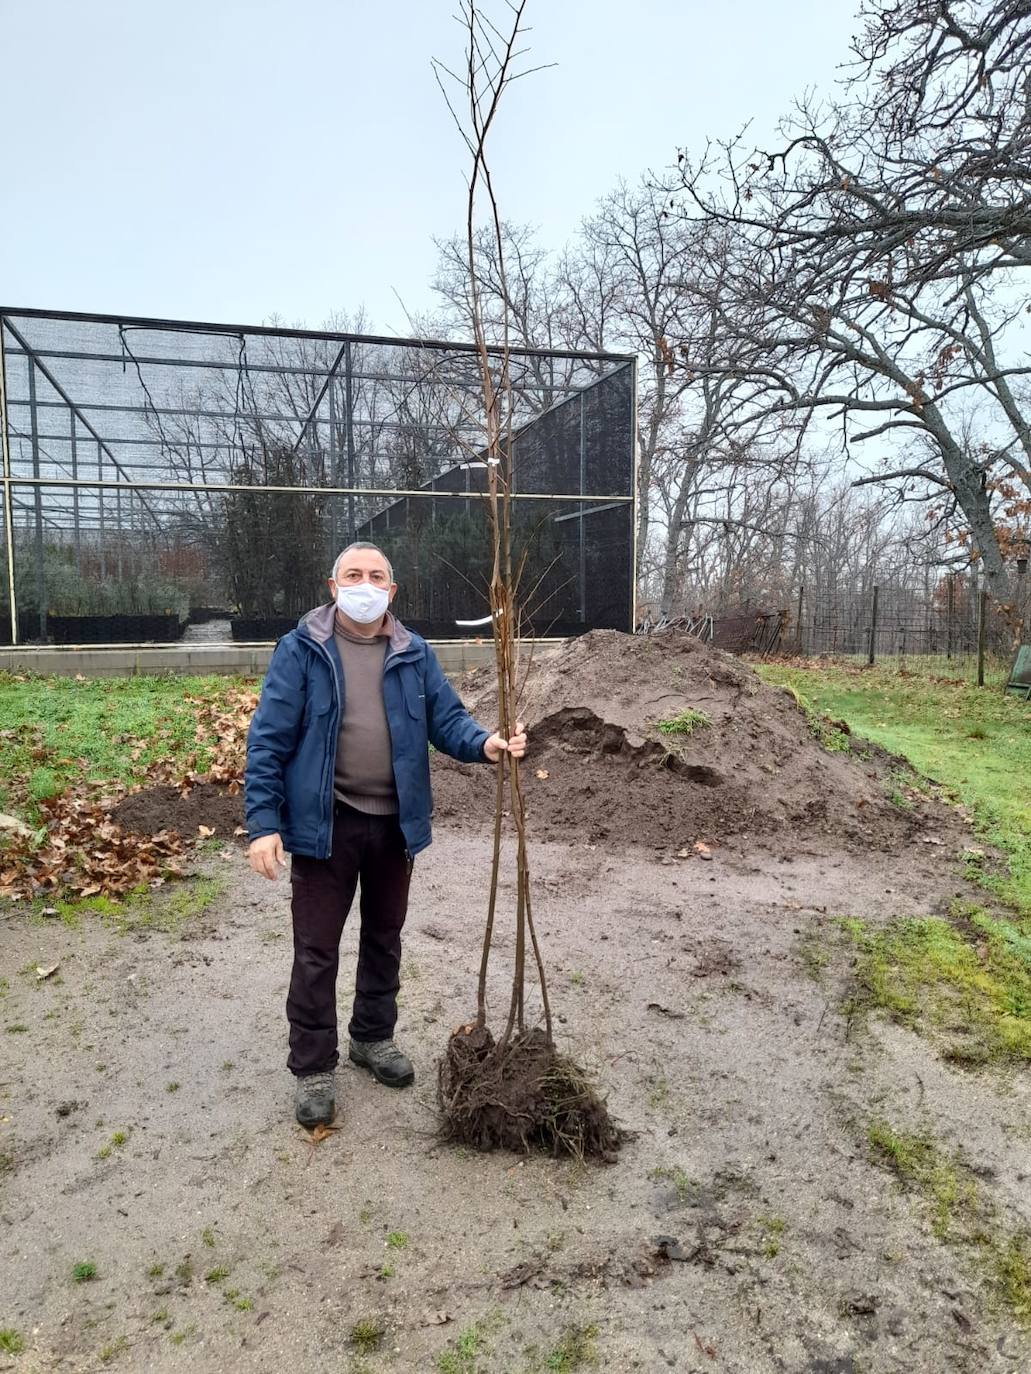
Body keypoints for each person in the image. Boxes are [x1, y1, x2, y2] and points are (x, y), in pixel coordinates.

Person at [244, 542, 526, 1128]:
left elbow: (445, 719)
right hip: (327, 823)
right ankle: (313, 1065)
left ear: (391, 592)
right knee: (317, 949)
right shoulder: (302, 650)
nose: (365, 584)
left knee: (384, 937)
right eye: (354, 575)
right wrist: (263, 825)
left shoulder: (412, 652)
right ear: (333, 586)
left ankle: (372, 1038)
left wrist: (484, 743)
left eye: (376, 577)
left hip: (394, 823)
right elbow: (268, 739)